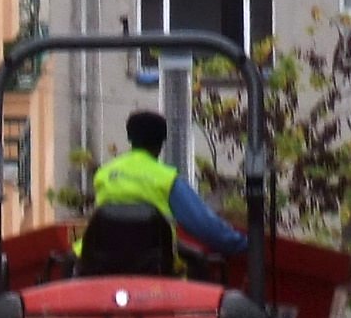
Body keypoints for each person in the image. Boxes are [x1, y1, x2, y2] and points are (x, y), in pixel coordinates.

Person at [91, 107, 246, 261]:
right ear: (162, 141)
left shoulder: (104, 174)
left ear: (129, 138)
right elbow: (205, 226)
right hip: (154, 266)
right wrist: (242, 244)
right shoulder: (167, 180)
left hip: (98, 263)